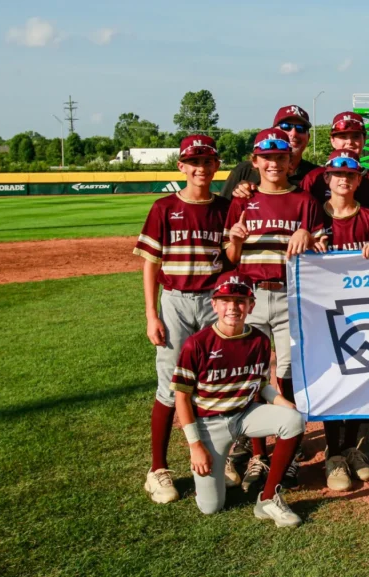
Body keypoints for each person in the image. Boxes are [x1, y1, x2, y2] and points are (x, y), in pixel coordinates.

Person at [222, 128, 324, 491]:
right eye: (266, 157)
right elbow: (231, 257)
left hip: (290, 297)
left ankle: (290, 452)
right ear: (255, 162)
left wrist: (310, 237)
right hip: (250, 295)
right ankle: (256, 455)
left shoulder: (304, 201)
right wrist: (234, 242)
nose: (274, 163)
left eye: (280, 157)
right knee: (252, 374)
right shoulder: (242, 201)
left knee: (286, 375)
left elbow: (323, 246)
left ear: (289, 160)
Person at [135, 135, 230, 504]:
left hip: (213, 301)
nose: (201, 168)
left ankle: (213, 456)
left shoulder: (224, 208)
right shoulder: (164, 207)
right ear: (181, 166)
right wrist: (151, 314)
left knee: (212, 383)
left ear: (216, 165)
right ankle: (158, 469)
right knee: (171, 385)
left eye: (207, 161)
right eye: (194, 162)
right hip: (174, 300)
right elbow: (150, 264)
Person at [171, 271, 306, 527]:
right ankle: (215, 470)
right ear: (214, 304)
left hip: (244, 415)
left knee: (293, 420)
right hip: (208, 426)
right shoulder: (197, 344)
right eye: (226, 301)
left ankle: (267, 499)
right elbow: (181, 398)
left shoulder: (259, 339)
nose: (233, 307)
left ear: (251, 306)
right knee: (211, 507)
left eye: (240, 301)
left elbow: (262, 384)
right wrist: (195, 446)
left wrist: (282, 403)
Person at [311, 149, 369, 490]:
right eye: (337, 174)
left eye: (351, 175)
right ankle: (334, 453)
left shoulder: (368, 216)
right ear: (327, 179)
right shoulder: (314, 214)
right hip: (322, 310)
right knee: (329, 378)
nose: (344, 179)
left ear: (358, 180)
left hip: (359, 307)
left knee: (358, 375)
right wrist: (305, 240)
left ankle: (353, 449)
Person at [300, 111, 369, 218]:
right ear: (332, 140)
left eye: (355, 137)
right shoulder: (314, 178)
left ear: (364, 140)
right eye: (343, 136)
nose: (349, 142)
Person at [218, 105, 317, 199]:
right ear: (272, 132)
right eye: (285, 126)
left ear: (308, 137)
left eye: (301, 129)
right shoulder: (245, 171)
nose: (293, 133)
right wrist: (238, 193)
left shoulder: (317, 175)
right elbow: (222, 211)